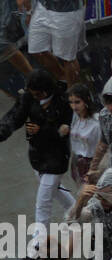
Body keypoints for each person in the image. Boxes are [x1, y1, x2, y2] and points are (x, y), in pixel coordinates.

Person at [0, 68, 73, 225]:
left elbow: (65, 131)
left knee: (42, 203)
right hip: (37, 155)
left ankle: (39, 243)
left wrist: (43, 130)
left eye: (38, 94)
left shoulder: (63, 100)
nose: (35, 98)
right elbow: (14, 117)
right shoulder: (28, 98)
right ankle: (78, 214)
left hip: (56, 157)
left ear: (47, 91)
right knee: (56, 190)